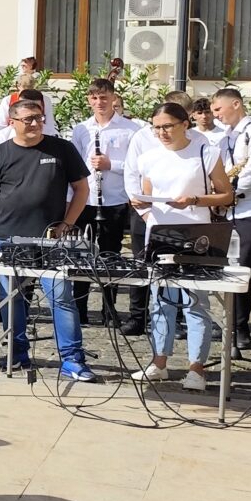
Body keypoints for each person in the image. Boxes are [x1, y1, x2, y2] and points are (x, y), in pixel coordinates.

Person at [0, 95, 96, 381]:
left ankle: (72, 359)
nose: (35, 123)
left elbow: (82, 189)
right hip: (7, 238)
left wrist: (68, 223)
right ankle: (17, 354)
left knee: (61, 298)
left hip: (52, 240)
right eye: (28, 119)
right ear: (12, 122)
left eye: (39, 118)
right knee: (11, 300)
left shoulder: (62, 149)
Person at [128, 102, 233, 391]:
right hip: (161, 234)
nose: (162, 133)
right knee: (160, 301)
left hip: (197, 234)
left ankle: (196, 368)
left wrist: (195, 200)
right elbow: (148, 195)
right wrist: (140, 202)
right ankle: (159, 362)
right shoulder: (149, 158)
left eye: (167, 126)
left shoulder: (205, 152)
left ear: (184, 124)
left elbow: (226, 195)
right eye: (156, 128)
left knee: (195, 302)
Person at [65, 79, 148, 332]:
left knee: (110, 257)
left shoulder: (131, 129)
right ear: (88, 100)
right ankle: (80, 309)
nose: (99, 102)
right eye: (94, 98)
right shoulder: (81, 129)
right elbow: (74, 166)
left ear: (113, 98)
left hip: (115, 200)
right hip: (86, 199)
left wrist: (111, 165)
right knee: (81, 255)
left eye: (103, 97)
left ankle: (109, 309)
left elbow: (138, 166)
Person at [210, 86, 251, 349]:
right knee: (225, 267)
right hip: (229, 209)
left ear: (236, 104)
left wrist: (228, 193)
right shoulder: (227, 135)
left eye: (218, 109)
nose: (216, 115)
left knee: (243, 266)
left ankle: (240, 326)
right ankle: (228, 322)